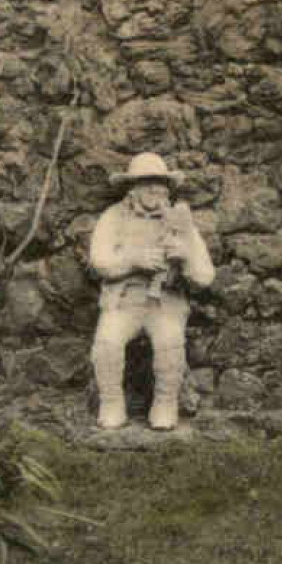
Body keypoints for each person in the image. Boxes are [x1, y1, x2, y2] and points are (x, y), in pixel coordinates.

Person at [89, 152, 214, 431]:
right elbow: (99, 261)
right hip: (124, 301)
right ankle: (111, 403)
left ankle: (165, 403)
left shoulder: (180, 221)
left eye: (160, 183)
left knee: (169, 342)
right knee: (107, 342)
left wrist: (185, 258)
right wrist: (133, 260)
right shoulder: (113, 217)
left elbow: (205, 276)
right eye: (146, 183)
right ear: (132, 187)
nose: (154, 189)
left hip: (165, 303)